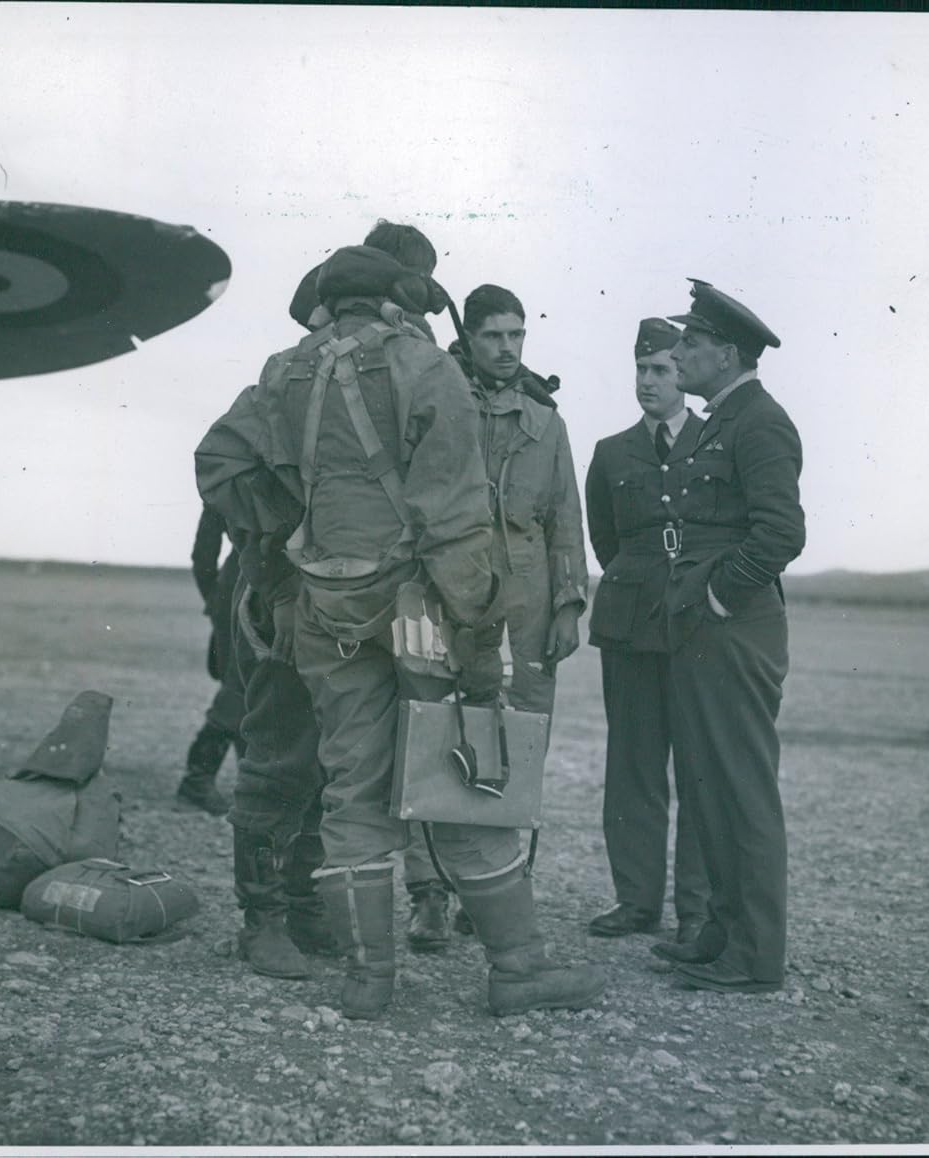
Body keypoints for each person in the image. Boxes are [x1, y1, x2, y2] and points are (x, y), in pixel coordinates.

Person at [196, 245, 603, 1018]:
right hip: (421, 609)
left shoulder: (285, 371)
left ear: (329, 303)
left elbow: (219, 463)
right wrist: (479, 632)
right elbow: (454, 518)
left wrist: (296, 531)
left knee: (352, 785)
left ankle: (369, 980)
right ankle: (517, 967)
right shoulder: (425, 367)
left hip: (326, 607)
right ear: (393, 303)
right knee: (461, 773)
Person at [222, 222, 447, 981]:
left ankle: (305, 902)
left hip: (365, 597)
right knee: (281, 753)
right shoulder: (304, 367)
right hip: (293, 591)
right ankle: (261, 920)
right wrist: (291, 536)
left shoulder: (401, 368)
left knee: (341, 762)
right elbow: (223, 459)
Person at [400, 283, 590, 949]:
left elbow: (565, 519)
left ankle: (500, 891)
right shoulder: (438, 402)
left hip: (527, 601)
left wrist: (568, 606)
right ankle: (428, 892)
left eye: (517, 335)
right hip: (442, 589)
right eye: (493, 336)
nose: (507, 349)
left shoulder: (547, 422)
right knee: (429, 731)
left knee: (520, 739)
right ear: (469, 338)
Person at [648, 279, 805, 995]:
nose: (679, 352)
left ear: (728, 354)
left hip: (734, 626)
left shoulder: (760, 422)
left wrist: (718, 594)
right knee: (708, 786)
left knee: (741, 789)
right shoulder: (723, 420)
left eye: (692, 342)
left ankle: (756, 955)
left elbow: (781, 533)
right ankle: (722, 932)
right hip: (704, 627)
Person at [583, 318, 709, 940]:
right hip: (631, 624)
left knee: (700, 766)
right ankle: (636, 901)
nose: (648, 381)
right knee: (633, 764)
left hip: (699, 623)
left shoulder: (718, 440)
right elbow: (606, 540)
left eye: (660, 370)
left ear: (683, 373)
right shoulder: (611, 452)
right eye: (641, 370)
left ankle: (698, 908)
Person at [175, 505, 244, 815]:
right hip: (250, 592)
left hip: (236, 591)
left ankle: (250, 779)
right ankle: (197, 780)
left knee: (249, 688)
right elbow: (203, 555)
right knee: (240, 689)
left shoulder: (224, 479)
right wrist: (218, 602)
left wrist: (217, 599)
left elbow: (203, 556)